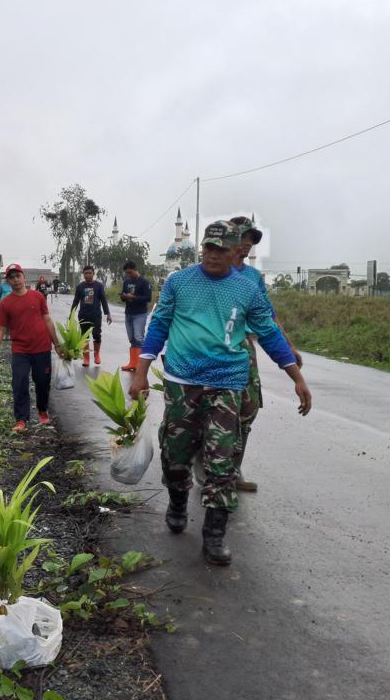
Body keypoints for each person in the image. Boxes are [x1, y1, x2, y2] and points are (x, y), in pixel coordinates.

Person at [129, 221, 311, 566]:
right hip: (183, 381)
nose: (213, 255)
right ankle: (178, 500)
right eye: (208, 248)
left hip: (228, 381)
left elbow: (268, 333)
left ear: (234, 251)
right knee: (176, 453)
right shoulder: (179, 282)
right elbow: (159, 326)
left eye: (221, 249)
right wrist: (140, 373)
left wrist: (296, 377)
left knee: (222, 460)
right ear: (202, 248)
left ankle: (214, 536)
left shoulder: (246, 289)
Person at [226, 216, 304, 492]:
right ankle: (208, 464)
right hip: (213, 346)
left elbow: (267, 316)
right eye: (244, 236)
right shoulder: (213, 269)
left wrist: (289, 346)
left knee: (247, 409)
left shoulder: (251, 277)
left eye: (252, 239)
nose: (247, 243)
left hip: (245, 344)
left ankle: (233, 470)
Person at [0, 263, 66, 433]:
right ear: (8, 281)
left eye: (18, 276)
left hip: (42, 347)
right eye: (12, 277)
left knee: (42, 381)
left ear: (24, 277)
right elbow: (0, 328)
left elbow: (47, 320)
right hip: (20, 350)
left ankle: (42, 410)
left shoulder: (38, 297)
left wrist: (57, 344)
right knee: (20, 383)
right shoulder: (6, 303)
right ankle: (21, 419)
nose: (16, 280)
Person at [70, 265, 112, 367]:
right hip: (83, 315)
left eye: (90, 273)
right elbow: (76, 301)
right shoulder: (80, 287)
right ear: (83, 274)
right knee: (85, 337)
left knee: (97, 335)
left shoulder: (99, 286)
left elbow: (103, 300)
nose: (88, 275)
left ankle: (96, 354)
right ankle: (86, 358)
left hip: (96, 316)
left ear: (93, 274)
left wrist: (108, 314)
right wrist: (71, 314)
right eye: (86, 273)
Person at [119, 261, 153, 372]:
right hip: (128, 313)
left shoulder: (144, 282)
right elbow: (123, 297)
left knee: (139, 338)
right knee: (132, 338)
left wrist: (133, 297)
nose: (128, 275)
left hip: (140, 314)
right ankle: (132, 363)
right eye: (127, 273)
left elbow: (148, 298)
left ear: (135, 269)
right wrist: (124, 296)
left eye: (130, 272)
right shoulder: (127, 282)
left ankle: (140, 365)